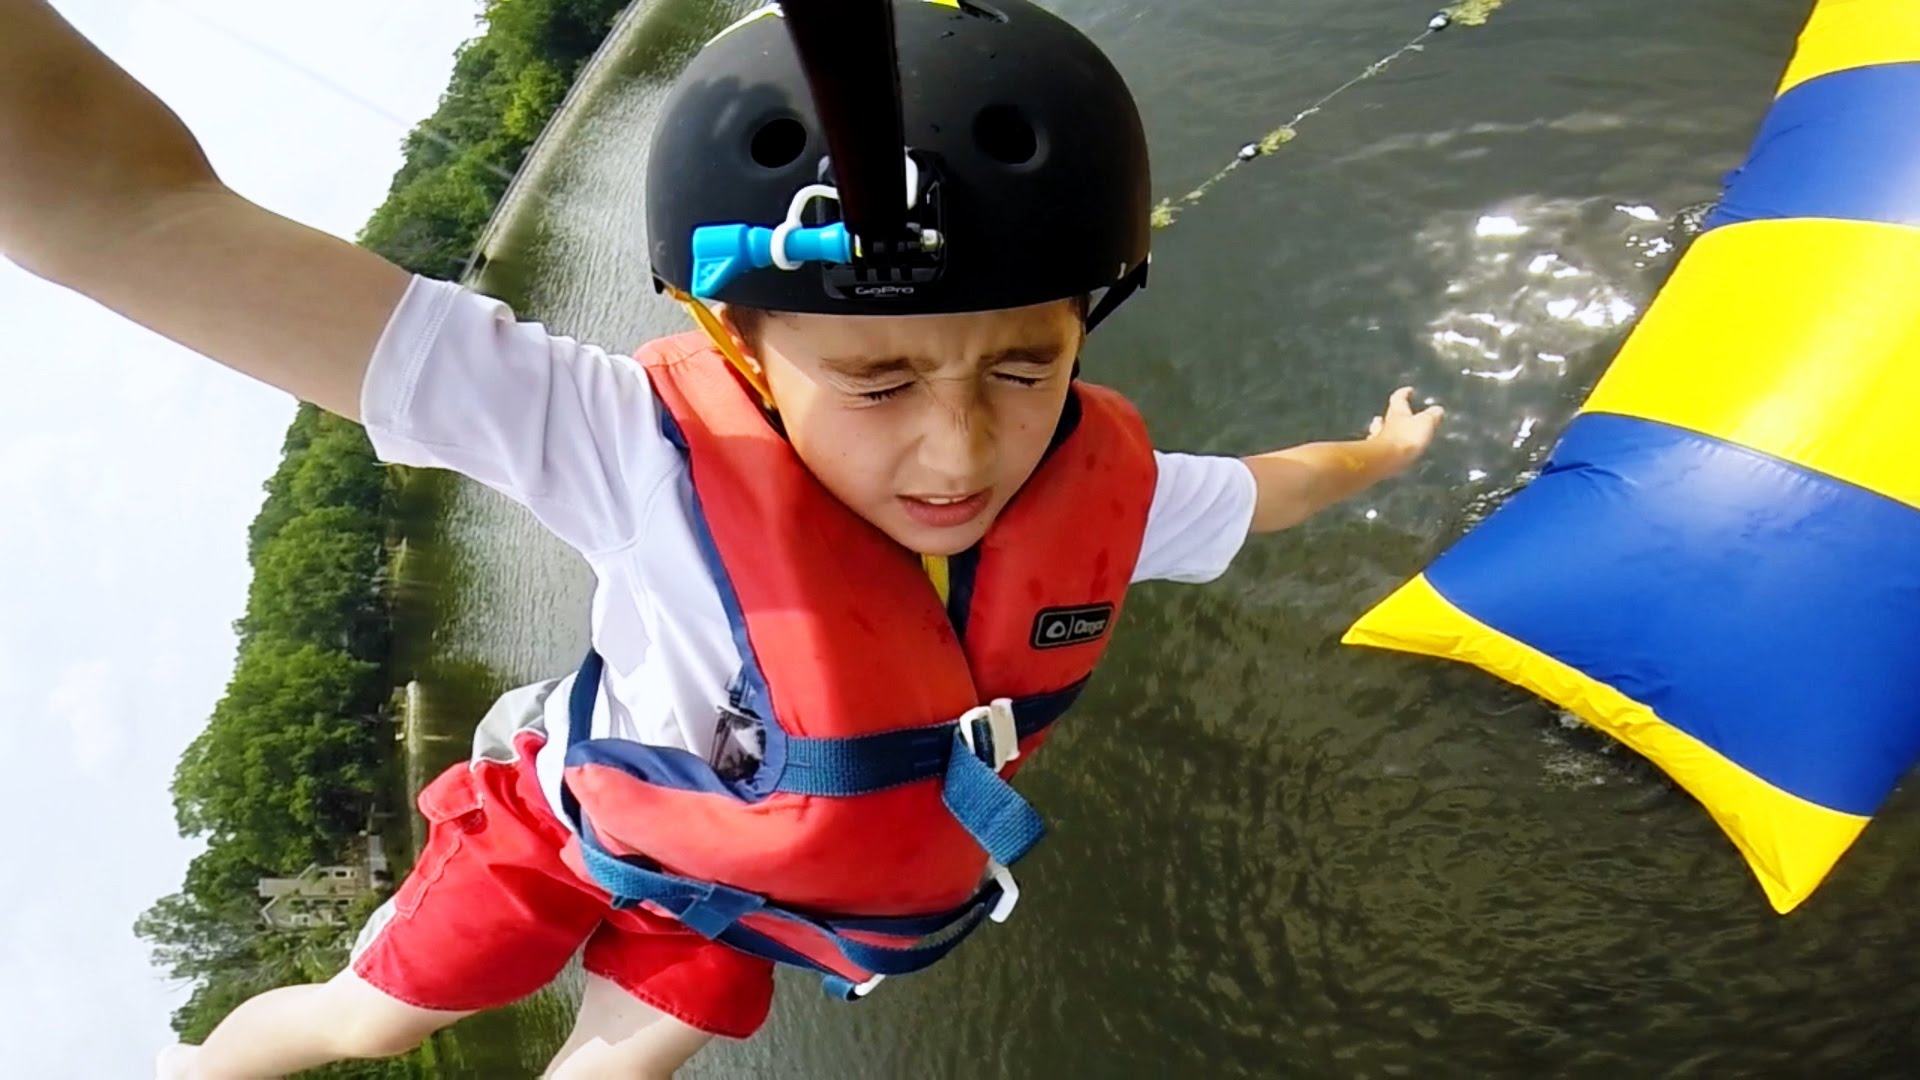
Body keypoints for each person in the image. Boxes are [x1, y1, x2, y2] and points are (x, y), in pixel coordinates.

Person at [1, 0, 1444, 1076]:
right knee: (374, 1022)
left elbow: (1263, 489)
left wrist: (1379, 453)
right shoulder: (627, 447)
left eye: (1024, 366)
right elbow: (138, 211)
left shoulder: (1091, 491)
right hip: (568, 835)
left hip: (742, 893)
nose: (958, 455)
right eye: (876, 382)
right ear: (737, 341)